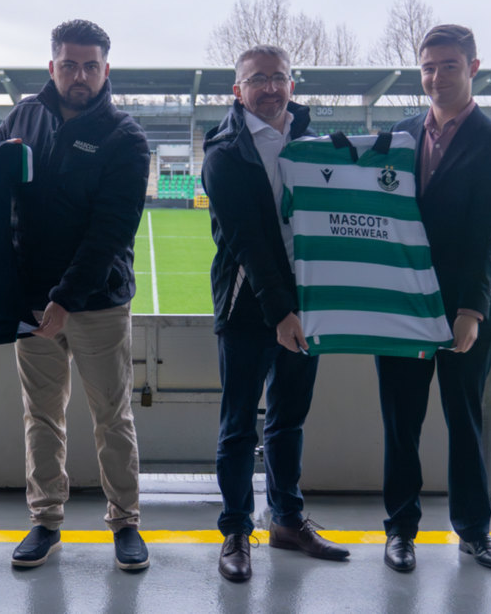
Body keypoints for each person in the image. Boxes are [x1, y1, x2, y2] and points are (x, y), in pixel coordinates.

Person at [0, 20, 151, 571]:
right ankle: (45, 520)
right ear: (51, 65)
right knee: (41, 415)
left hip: (97, 302)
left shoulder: (125, 137)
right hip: (31, 303)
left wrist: (64, 298)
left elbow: (110, 232)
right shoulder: (22, 117)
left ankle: (125, 521)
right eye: (68, 64)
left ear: (106, 70)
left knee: (112, 415)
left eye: (90, 65)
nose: (78, 75)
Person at [201, 44, 350, 583]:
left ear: (293, 85)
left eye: (279, 78)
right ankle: (236, 530)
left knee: (288, 420)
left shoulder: (313, 146)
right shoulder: (223, 152)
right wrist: (282, 310)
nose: (269, 87)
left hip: (306, 309)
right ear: (237, 91)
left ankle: (287, 520)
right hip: (248, 306)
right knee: (240, 424)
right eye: (257, 79)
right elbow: (248, 244)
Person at [377, 24, 491, 573]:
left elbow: (489, 234)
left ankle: (475, 532)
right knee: (400, 424)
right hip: (401, 307)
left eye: (448, 66)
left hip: (461, 308)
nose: (436, 77)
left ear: (473, 67)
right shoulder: (402, 133)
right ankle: (400, 531)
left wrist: (470, 311)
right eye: (428, 67)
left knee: (465, 422)